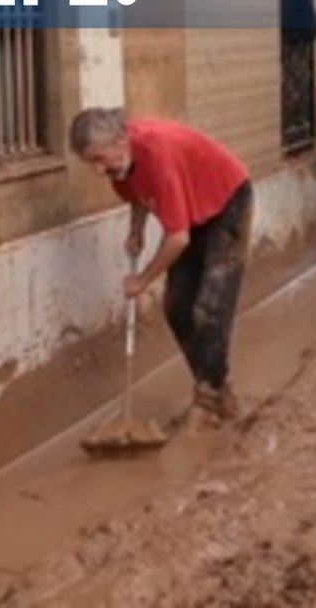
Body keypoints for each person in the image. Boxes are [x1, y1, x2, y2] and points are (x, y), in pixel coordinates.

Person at [70, 108, 254, 424]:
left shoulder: (158, 154)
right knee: (176, 306)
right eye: (92, 164)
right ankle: (215, 391)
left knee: (209, 309)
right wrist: (136, 229)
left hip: (227, 201)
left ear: (120, 140)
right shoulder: (121, 166)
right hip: (192, 210)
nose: (99, 171)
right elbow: (138, 193)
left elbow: (178, 238)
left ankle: (208, 398)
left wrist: (142, 280)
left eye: (101, 159)